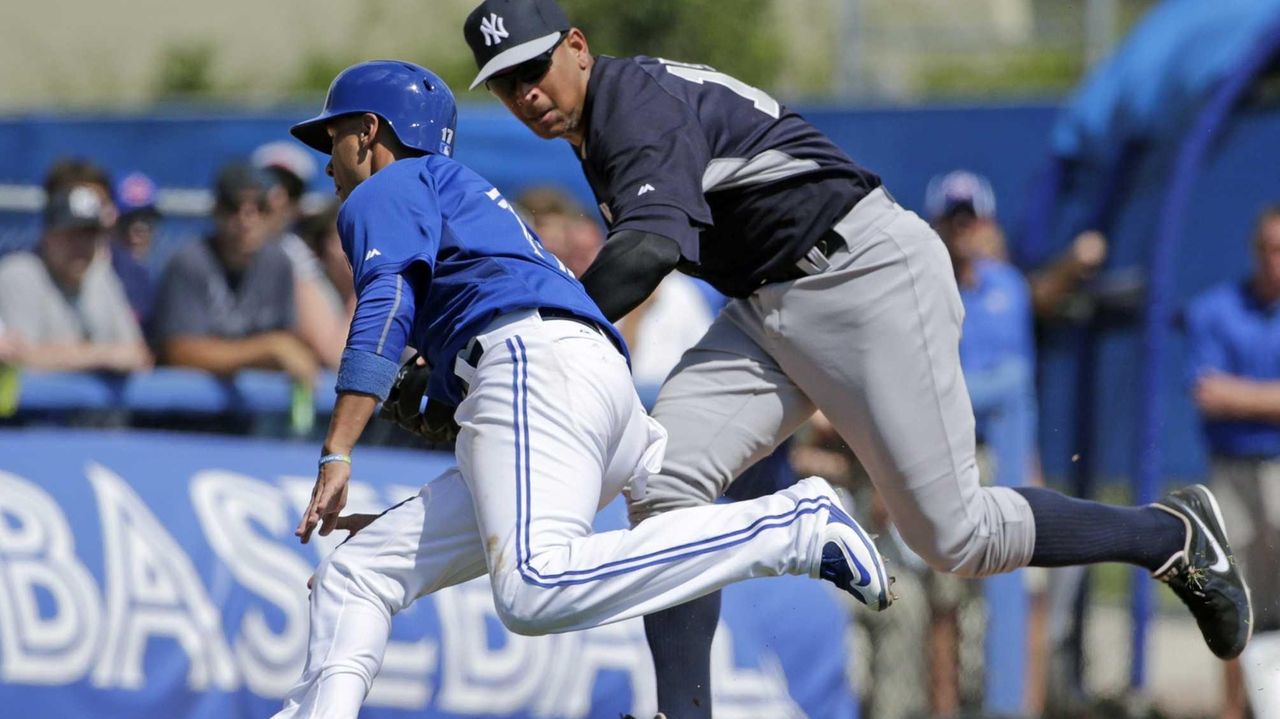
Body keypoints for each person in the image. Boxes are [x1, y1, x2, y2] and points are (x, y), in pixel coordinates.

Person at [462, 1, 1253, 715]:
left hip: (861, 274)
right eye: (505, 82)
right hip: (766, 305)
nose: (527, 91)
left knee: (957, 535)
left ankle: (1167, 535)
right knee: (665, 482)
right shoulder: (602, 122)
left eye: (533, 66)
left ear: (576, 46)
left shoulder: (632, 101)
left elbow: (649, 249)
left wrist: (537, 331)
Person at [271, 60, 889, 719]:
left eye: (332, 138)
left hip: (536, 370)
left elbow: (384, 304)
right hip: (575, 382)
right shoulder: (463, 199)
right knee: (359, 567)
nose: (328, 165)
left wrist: (338, 448)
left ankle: (790, 525)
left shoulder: (387, 187)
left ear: (369, 131)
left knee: (533, 588)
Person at [1185, 205, 1280, 719]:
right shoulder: (1216, 309)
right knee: (1230, 594)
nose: (1274, 261)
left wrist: (1237, 396)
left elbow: (1225, 394)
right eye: (1267, 249)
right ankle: (1232, 711)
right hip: (1230, 469)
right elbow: (1206, 393)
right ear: (1253, 251)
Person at [150, 161, 315, 386]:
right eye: (234, 207)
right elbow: (178, 351)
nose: (247, 219)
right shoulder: (189, 262)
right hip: (181, 411)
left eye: (260, 207)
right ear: (216, 211)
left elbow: (289, 347)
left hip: (249, 414)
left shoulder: (279, 264)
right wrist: (268, 348)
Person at [0, 185, 151, 372]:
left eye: (89, 235)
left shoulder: (100, 276)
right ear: (47, 236)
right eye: (71, 234)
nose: (81, 245)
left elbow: (138, 355)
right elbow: (19, 357)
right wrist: (102, 355)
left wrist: (80, 356)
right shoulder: (20, 273)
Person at [253, 141, 349, 369]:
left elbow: (335, 354)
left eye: (290, 190)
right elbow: (335, 355)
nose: (277, 199)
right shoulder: (205, 255)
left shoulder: (295, 253)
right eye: (265, 187)